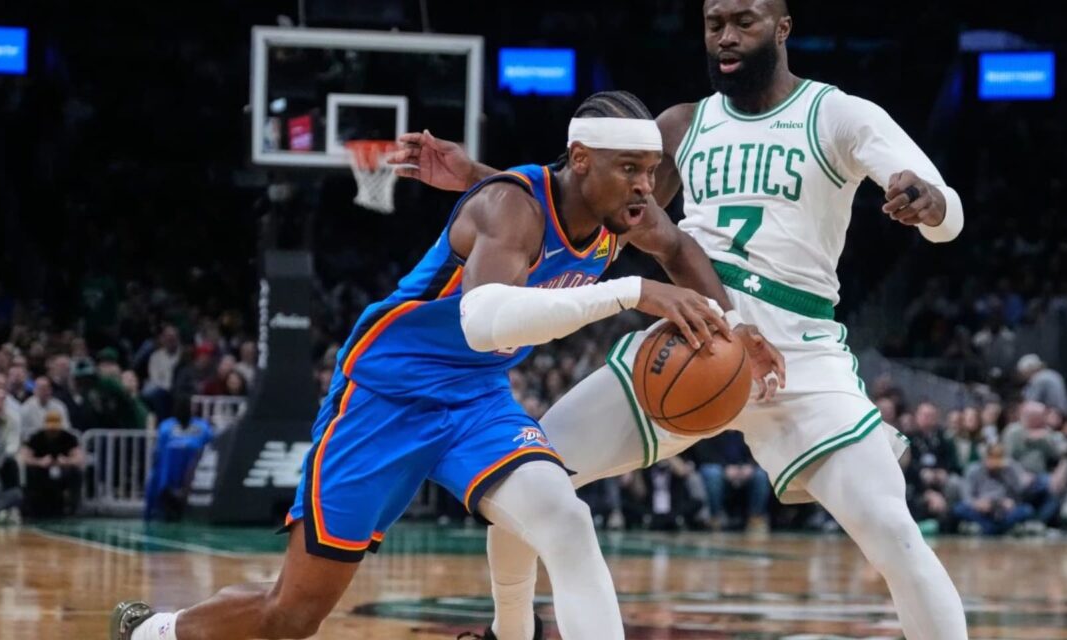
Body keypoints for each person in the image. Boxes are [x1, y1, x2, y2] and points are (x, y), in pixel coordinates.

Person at [110, 91, 779, 640]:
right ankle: (156, 632)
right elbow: (484, 321)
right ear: (579, 159)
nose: (643, 188)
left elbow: (680, 247)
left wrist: (741, 329)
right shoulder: (507, 206)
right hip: (383, 394)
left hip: (475, 400)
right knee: (291, 615)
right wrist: (630, 294)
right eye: (627, 169)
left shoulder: (620, 209)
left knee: (566, 521)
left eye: (647, 170)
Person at [394, 0, 969, 637]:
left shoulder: (836, 113)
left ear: (782, 29)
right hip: (690, 339)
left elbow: (947, 212)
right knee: (533, 474)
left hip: (798, 357)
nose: (725, 37)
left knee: (893, 530)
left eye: (744, 22)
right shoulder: (680, 125)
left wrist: (930, 205)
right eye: (713, 22)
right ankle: (510, 630)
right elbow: (587, 207)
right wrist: (478, 178)